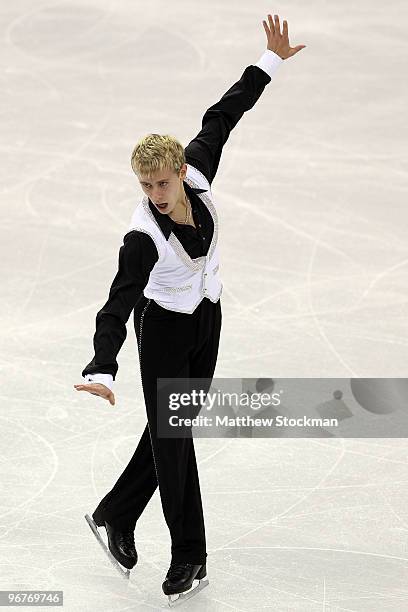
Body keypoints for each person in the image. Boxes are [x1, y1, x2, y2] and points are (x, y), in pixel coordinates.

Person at [74, 13, 305, 606]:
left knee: (171, 430)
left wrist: (270, 60)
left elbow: (223, 115)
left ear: (180, 170)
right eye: (145, 186)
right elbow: (117, 300)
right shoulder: (142, 236)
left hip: (208, 320)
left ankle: (115, 517)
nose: (154, 194)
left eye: (161, 183)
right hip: (164, 333)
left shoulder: (196, 169)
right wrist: (102, 366)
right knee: (174, 440)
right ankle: (188, 558)